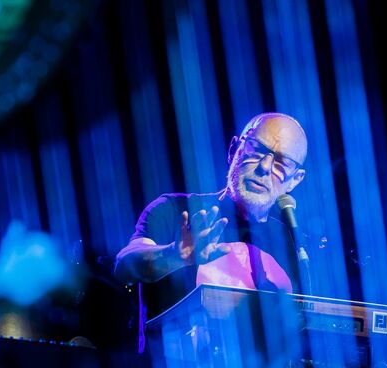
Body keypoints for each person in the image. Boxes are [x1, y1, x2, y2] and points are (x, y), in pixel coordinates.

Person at [114, 112, 308, 317]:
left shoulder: (289, 242)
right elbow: (123, 266)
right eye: (257, 149)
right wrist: (173, 255)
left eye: (282, 163)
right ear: (234, 150)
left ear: (295, 180)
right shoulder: (175, 209)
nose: (265, 167)